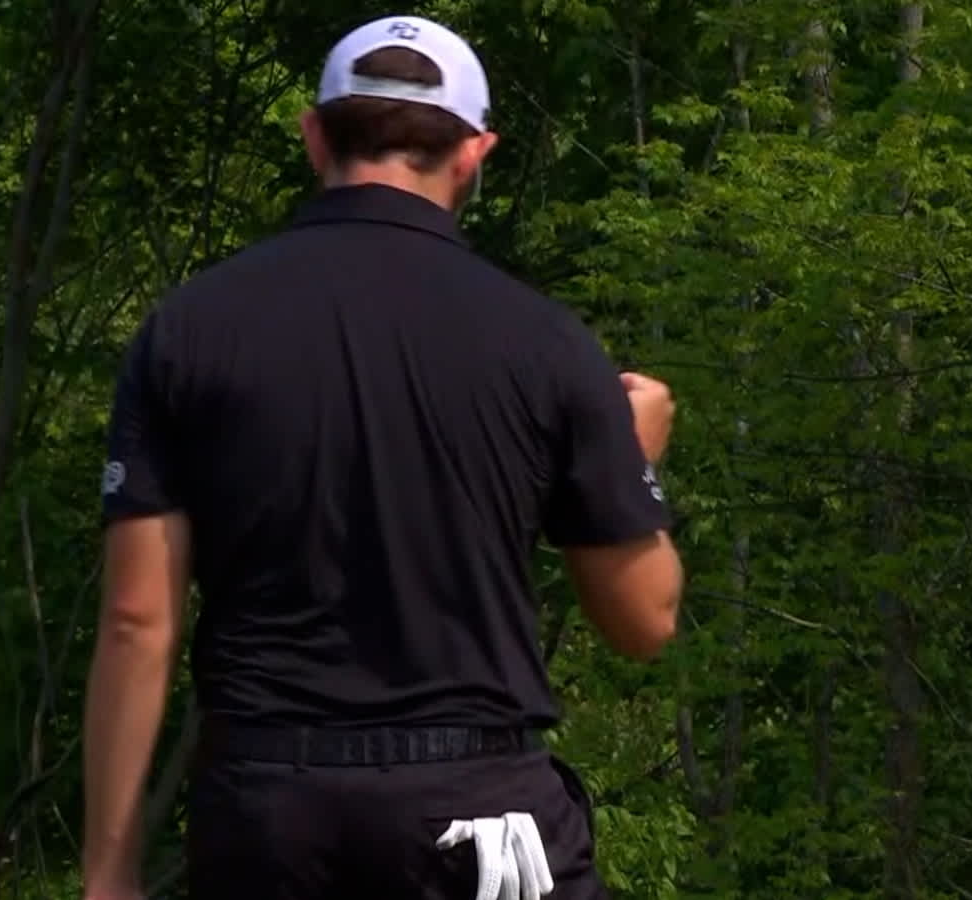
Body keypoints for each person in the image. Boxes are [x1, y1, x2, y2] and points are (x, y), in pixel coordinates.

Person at [80, 14, 683, 900]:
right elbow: (643, 622)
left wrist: (109, 871)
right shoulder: (545, 344)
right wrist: (633, 460)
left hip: (269, 813)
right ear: (475, 153)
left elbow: (138, 618)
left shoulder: (189, 331)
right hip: (475, 812)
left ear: (316, 134)